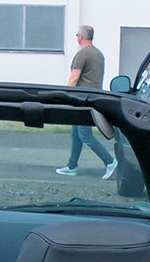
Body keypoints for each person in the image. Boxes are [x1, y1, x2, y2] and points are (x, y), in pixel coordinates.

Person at [55, 25, 115, 179]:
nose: (77, 38)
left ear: (81, 37)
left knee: (85, 135)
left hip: (82, 100)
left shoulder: (83, 54)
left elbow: (75, 77)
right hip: (93, 98)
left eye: (77, 35)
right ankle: (71, 166)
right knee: (76, 133)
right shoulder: (98, 54)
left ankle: (109, 161)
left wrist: (65, 96)